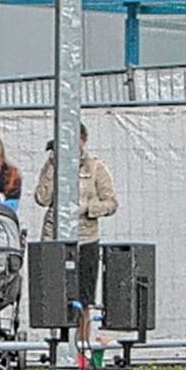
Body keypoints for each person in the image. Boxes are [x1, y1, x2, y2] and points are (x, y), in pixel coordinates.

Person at [34, 122, 118, 322]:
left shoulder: (96, 167)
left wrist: (88, 208)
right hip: (54, 239)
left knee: (84, 300)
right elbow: (41, 198)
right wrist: (52, 167)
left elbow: (111, 203)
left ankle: (81, 348)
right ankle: (56, 344)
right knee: (53, 298)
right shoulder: (52, 165)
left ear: (82, 140)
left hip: (85, 240)